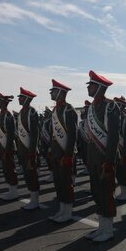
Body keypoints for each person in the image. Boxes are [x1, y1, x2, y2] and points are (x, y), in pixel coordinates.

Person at [83, 70, 120, 242]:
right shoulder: (92, 107)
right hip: (94, 158)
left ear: (99, 88)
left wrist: (109, 162)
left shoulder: (110, 106)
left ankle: (109, 230)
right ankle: (101, 227)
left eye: (91, 85)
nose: (88, 88)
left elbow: (113, 137)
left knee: (106, 193)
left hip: (105, 159)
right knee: (96, 193)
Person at [48, 79, 78, 222]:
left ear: (60, 92)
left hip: (64, 153)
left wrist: (68, 154)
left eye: (53, 91)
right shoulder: (56, 109)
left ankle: (68, 212)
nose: (51, 93)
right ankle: (61, 210)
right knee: (58, 183)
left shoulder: (68, 110)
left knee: (66, 183)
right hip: (56, 152)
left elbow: (72, 134)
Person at [16, 87, 41, 210]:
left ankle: (35, 200)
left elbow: (35, 134)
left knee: (32, 175)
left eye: (21, 97)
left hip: (29, 150)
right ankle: (32, 198)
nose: (19, 99)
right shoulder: (21, 112)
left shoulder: (32, 112)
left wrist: (32, 152)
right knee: (26, 175)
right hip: (23, 149)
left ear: (26, 99)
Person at [0, 93, 19, 200]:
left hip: (8, 148)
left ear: (4, 102)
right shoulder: (1, 114)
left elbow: (11, 134)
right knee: (6, 169)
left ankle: (13, 192)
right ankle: (10, 190)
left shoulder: (8, 115)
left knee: (10, 169)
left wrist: (7, 150)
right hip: (3, 146)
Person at [115, 96, 126, 201]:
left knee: (125, 173)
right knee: (118, 173)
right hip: (116, 151)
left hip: (124, 151)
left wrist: (124, 154)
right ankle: (122, 192)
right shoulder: (115, 119)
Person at [76, 100, 91, 175]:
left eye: (85, 110)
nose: (83, 112)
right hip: (83, 141)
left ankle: (89, 168)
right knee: (84, 155)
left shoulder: (90, 121)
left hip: (89, 142)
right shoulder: (82, 122)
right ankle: (86, 167)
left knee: (89, 155)